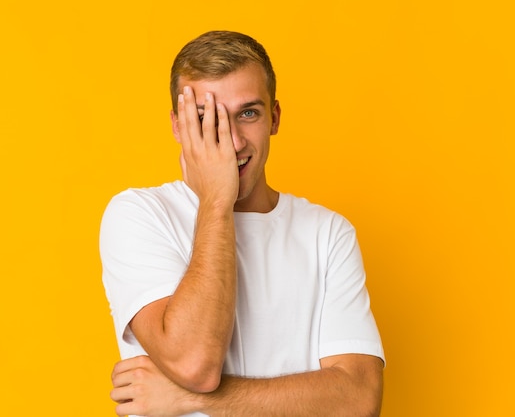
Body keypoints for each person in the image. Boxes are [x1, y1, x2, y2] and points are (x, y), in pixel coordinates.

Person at [100, 30, 385, 416]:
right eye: (206, 119)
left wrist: (189, 398)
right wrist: (216, 200)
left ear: (275, 118)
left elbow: (358, 399)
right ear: (177, 126)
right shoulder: (140, 214)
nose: (231, 141)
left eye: (247, 113)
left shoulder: (328, 233)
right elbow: (194, 363)